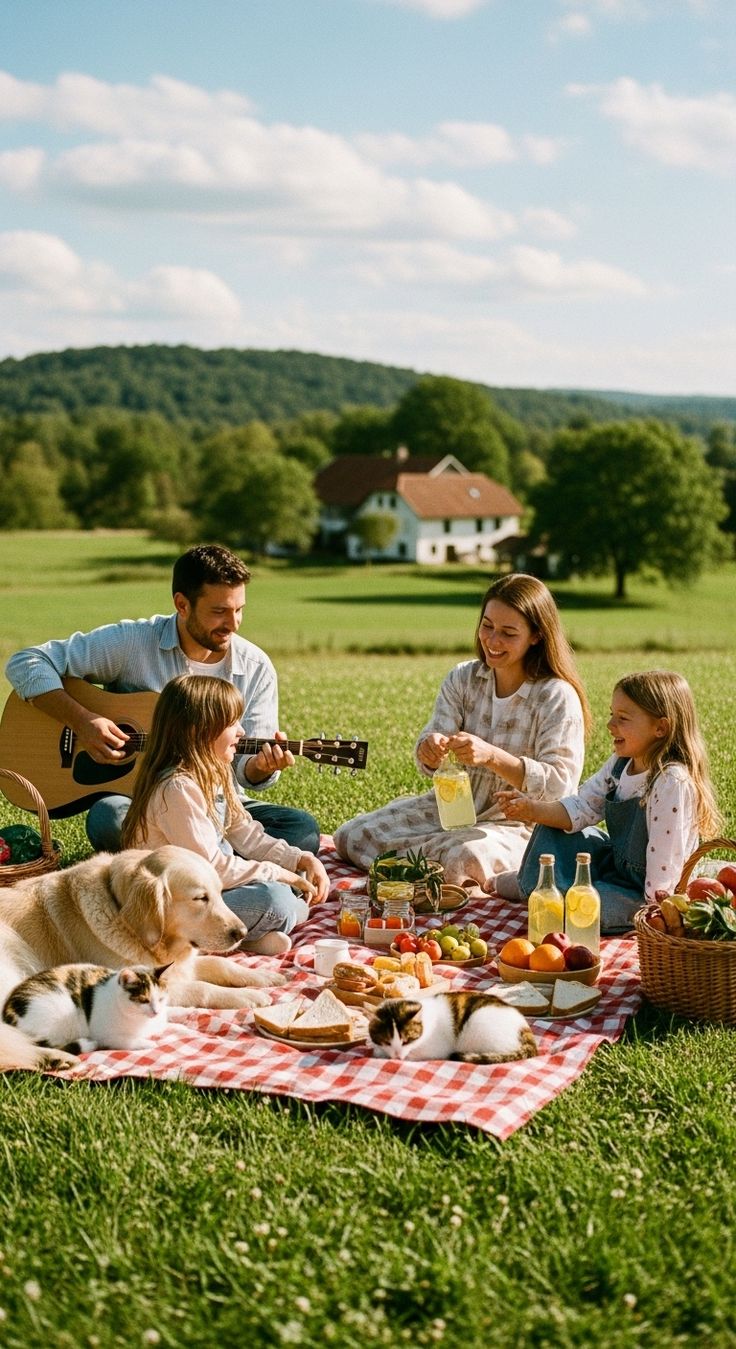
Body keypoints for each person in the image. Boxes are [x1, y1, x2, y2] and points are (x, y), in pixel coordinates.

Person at [5, 544, 320, 854]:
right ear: (182, 605)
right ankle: (215, 863)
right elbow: (26, 662)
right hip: (142, 800)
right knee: (109, 817)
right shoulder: (132, 642)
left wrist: (261, 768)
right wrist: (82, 721)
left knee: (301, 831)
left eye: (239, 610)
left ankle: (192, 862)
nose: (233, 624)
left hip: (219, 805)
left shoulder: (255, 668)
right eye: (219, 611)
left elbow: (244, 769)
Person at [334, 573, 590, 890]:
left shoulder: (555, 695)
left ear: (536, 636)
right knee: (352, 835)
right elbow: (431, 747)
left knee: (463, 857)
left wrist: (493, 757)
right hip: (451, 810)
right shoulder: (464, 678)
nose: (493, 641)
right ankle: (430, 874)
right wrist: (430, 749)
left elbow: (560, 786)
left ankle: (434, 872)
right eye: (487, 626)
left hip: (521, 825)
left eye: (508, 634)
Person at [495, 670, 721, 933]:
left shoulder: (671, 781)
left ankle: (541, 888)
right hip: (615, 865)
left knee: (580, 912)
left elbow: (665, 867)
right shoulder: (621, 764)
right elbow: (583, 807)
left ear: (660, 727)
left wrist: (658, 914)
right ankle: (537, 884)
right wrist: (532, 809)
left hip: (645, 892)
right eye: (612, 715)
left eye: (622, 718)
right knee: (552, 829)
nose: (610, 725)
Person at [120, 674, 329, 953]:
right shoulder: (177, 788)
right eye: (232, 723)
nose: (242, 732)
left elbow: (246, 834)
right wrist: (278, 874)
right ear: (198, 731)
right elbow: (210, 868)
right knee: (277, 900)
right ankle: (188, 943)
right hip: (168, 905)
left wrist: (299, 859)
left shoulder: (213, 772)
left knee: (285, 895)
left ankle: (236, 940)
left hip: (202, 894)